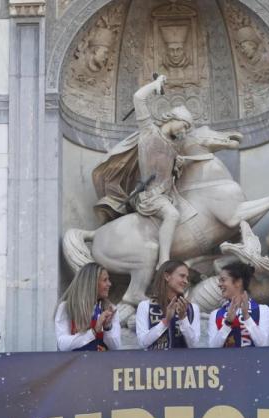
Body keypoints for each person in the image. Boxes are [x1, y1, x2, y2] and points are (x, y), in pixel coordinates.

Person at [132, 74, 192, 267]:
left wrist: (177, 166)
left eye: (187, 129)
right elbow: (138, 98)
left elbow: (169, 176)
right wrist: (155, 84)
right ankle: (163, 260)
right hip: (150, 197)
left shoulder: (173, 147)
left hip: (166, 196)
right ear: (173, 118)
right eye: (184, 126)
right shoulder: (148, 130)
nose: (184, 132)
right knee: (172, 215)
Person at [55, 263, 121, 351]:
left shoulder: (110, 309)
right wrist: (93, 332)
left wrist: (107, 327)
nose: (109, 284)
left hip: (101, 360)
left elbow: (115, 348)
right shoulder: (66, 307)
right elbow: (62, 345)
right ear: (92, 283)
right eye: (105, 280)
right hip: (75, 360)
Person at [136, 260, 200, 349]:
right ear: (167, 276)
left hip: (183, 358)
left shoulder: (192, 308)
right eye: (182, 276)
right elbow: (143, 343)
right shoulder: (145, 306)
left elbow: (194, 345)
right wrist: (166, 321)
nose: (186, 281)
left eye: (187, 278)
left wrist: (183, 318)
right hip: (155, 358)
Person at [208, 262, 269, 348]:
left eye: (223, 280)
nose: (219, 284)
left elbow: (264, 344)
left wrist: (247, 317)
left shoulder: (262, 310)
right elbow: (212, 348)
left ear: (238, 282)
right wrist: (227, 323)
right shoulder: (216, 314)